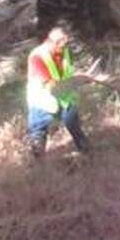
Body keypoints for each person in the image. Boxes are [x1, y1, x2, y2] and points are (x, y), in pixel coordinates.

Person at [25, 27, 89, 157]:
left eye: (66, 44)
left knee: (75, 127)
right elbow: (52, 86)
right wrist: (77, 81)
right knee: (38, 135)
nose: (65, 47)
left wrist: (77, 80)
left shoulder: (64, 51)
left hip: (65, 97)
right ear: (53, 42)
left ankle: (88, 155)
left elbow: (67, 73)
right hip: (42, 100)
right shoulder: (37, 57)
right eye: (62, 45)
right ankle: (38, 169)